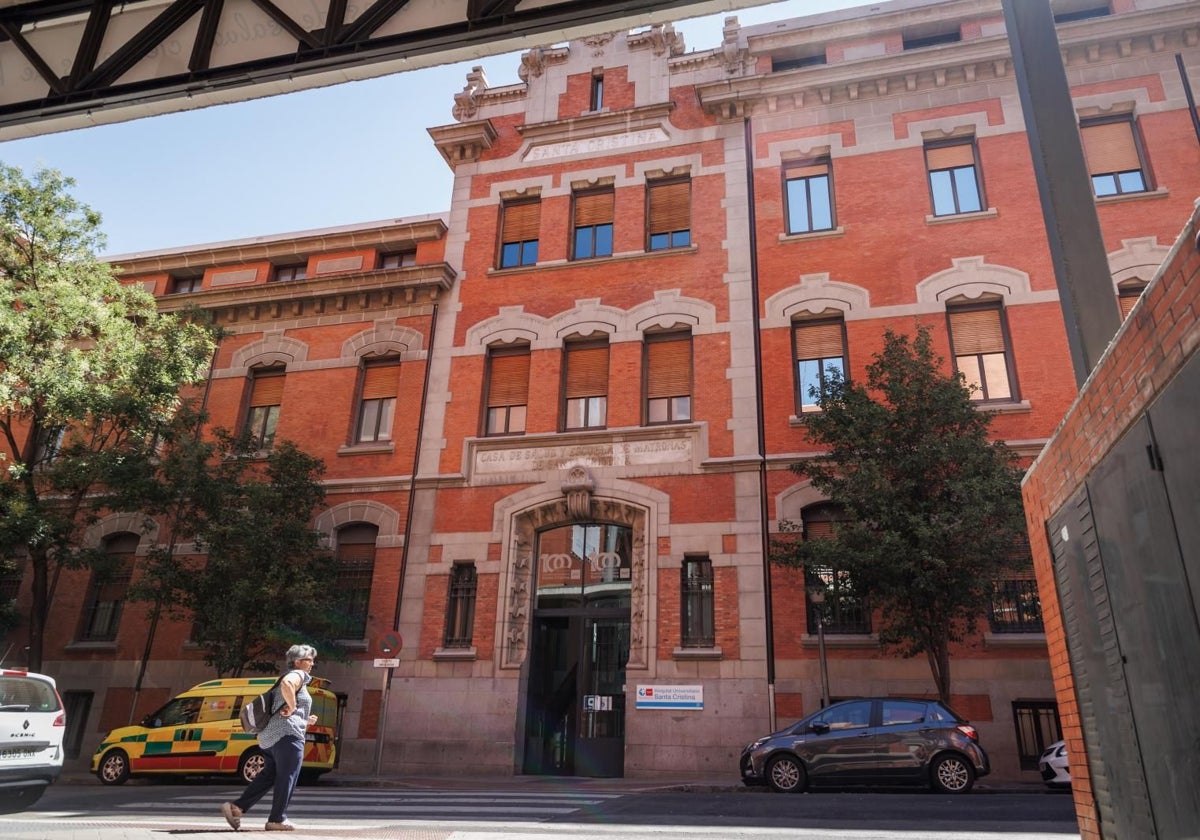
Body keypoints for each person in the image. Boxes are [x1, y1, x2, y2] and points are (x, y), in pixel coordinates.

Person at [221, 645, 319, 831]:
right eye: (309, 659)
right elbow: (287, 685)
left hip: (269, 738)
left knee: (269, 776)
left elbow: (284, 711)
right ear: (297, 662)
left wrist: (305, 720)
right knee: (288, 776)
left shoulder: (292, 678)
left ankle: (237, 808)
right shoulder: (298, 675)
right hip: (287, 737)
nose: (312, 663)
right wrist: (292, 707)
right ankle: (277, 819)